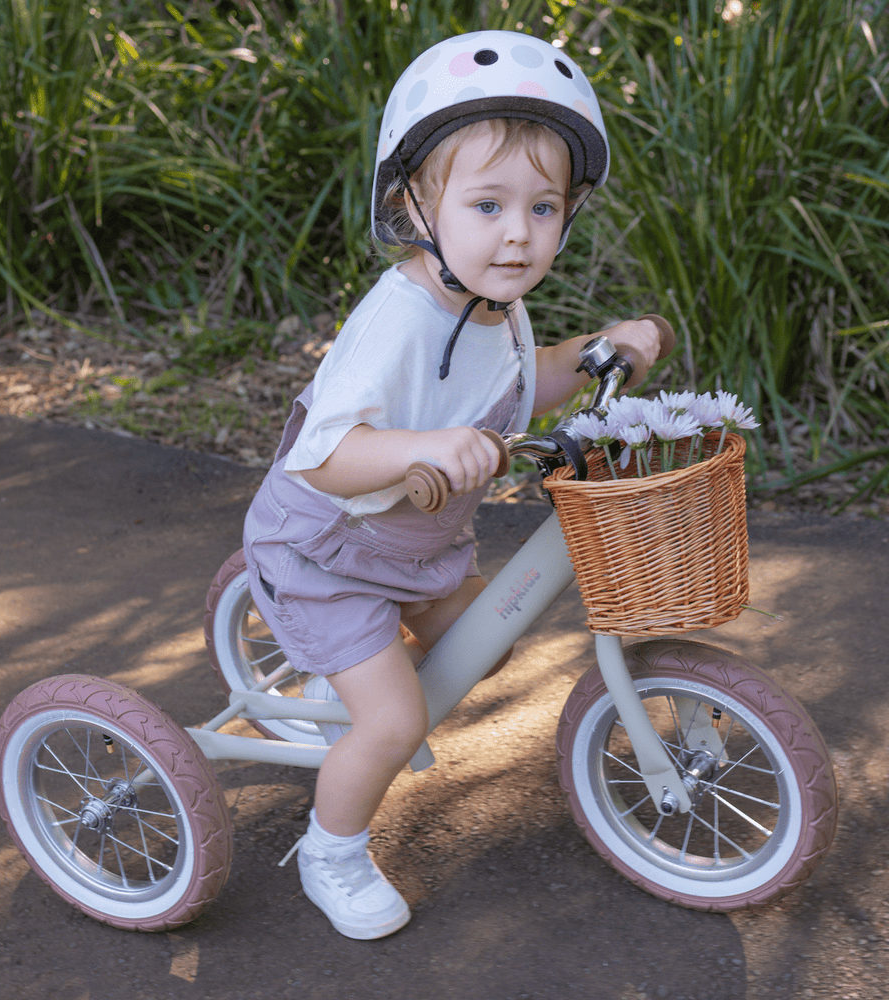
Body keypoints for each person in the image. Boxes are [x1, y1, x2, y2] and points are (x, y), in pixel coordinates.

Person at [242, 30, 661, 939]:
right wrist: (423, 445)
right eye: (487, 204)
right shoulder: (396, 322)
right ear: (417, 205)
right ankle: (331, 851)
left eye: (543, 207)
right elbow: (321, 458)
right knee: (393, 722)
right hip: (327, 551)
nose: (518, 233)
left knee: (485, 643)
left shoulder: (495, 300)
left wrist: (595, 353)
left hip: (416, 546)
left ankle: (351, 669)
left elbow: (519, 379)